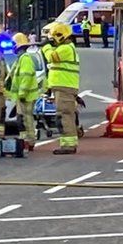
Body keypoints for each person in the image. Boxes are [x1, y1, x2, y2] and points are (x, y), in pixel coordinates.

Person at [41, 23, 80, 155]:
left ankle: (68, 146)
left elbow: (52, 57)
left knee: (64, 116)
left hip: (64, 88)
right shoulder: (67, 48)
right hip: (63, 87)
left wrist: (46, 46)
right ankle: (69, 143)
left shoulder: (65, 49)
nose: (52, 41)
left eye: (53, 38)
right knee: (64, 116)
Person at [11, 33, 40, 149]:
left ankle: (29, 141)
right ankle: (25, 140)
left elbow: (26, 77)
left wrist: (22, 93)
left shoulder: (25, 59)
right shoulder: (21, 59)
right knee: (22, 119)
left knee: (26, 120)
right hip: (23, 96)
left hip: (26, 96)